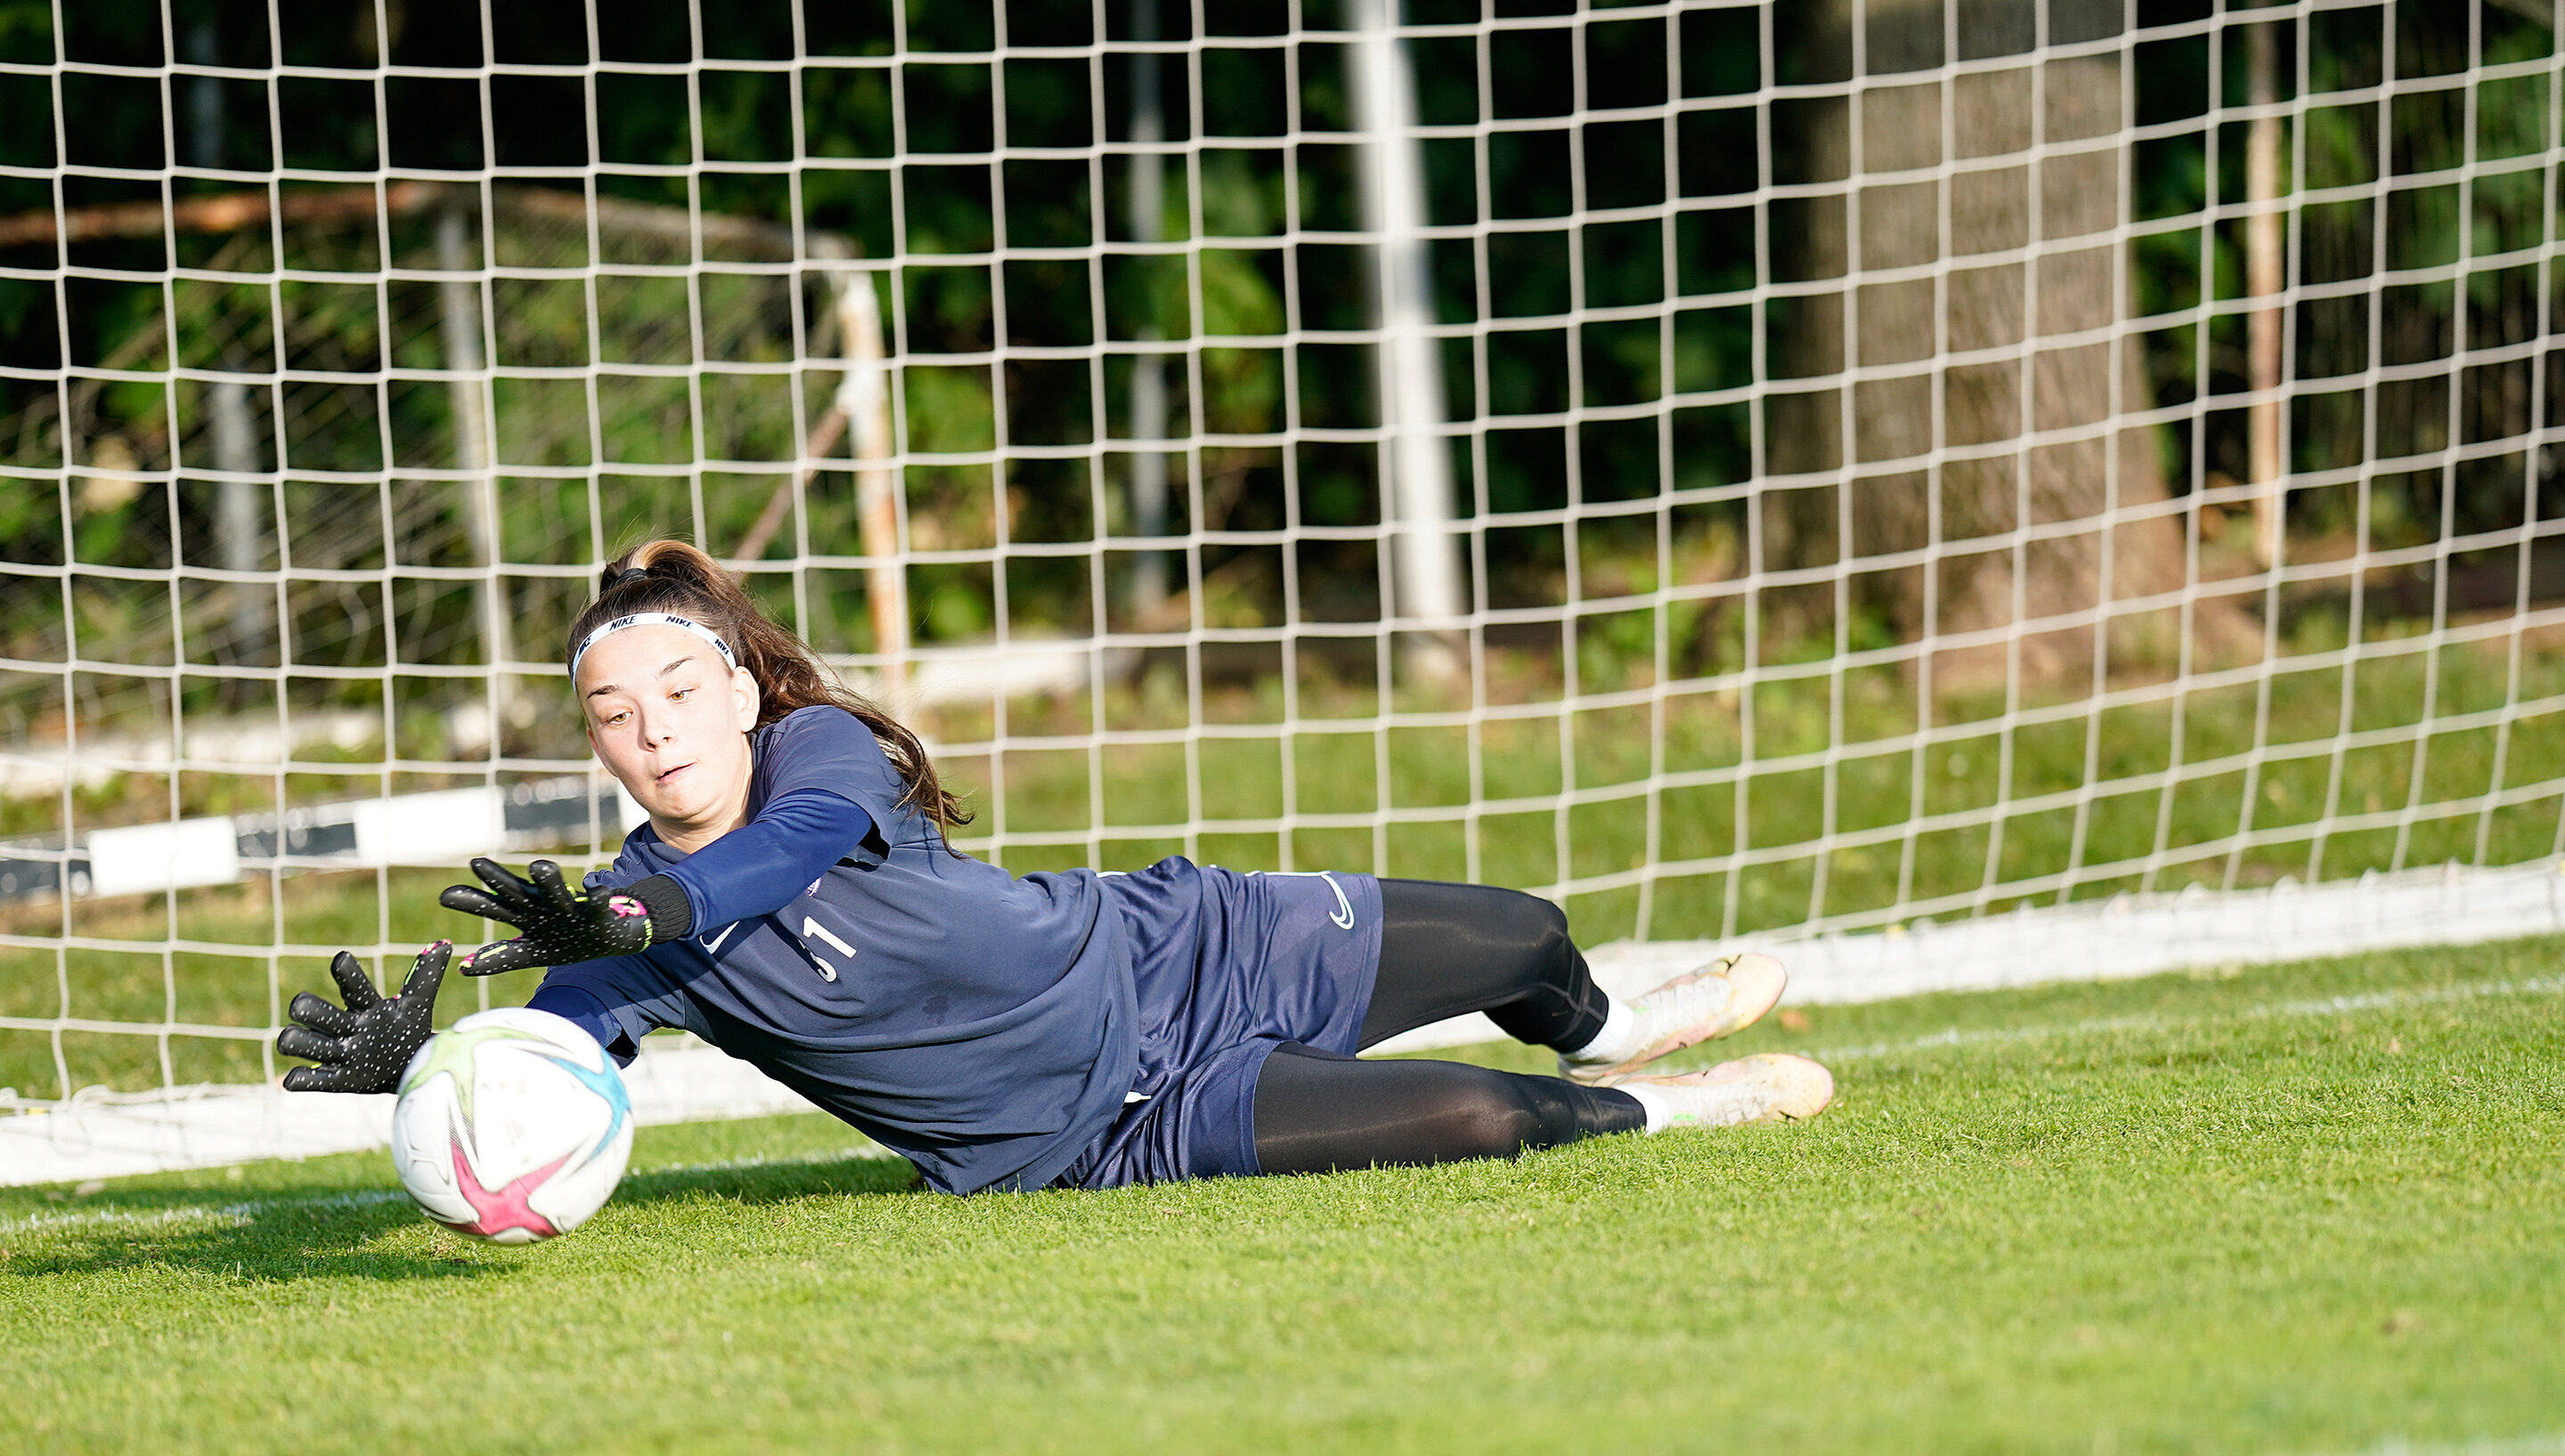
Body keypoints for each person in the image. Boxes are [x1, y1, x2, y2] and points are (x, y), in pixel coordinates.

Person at [276, 541, 1832, 1193]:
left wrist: (649, 907)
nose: (654, 730)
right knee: (1491, 1118)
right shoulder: (620, 933)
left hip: (1182, 946)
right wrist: (430, 1071)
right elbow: (543, 1080)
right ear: (599, 746)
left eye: (679, 691)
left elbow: (783, 857)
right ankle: (1674, 1102)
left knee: (1528, 937)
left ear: (740, 691)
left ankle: (1614, 1028)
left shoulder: (821, 755)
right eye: (617, 716)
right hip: (1109, 1125)